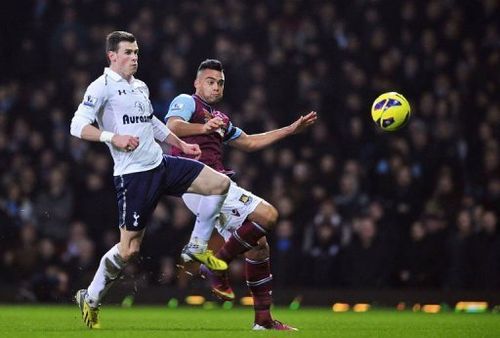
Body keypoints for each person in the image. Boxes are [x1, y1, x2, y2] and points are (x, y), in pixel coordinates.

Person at [69, 32, 231, 329]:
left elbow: (151, 122)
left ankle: (197, 245)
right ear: (112, 56)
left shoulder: (139, 86)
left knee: (220, 183)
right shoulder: (101, 87)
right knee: (129, 250)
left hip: (161, 164)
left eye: (137, 52)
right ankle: (90, 297)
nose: (134, 57)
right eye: (128, 52)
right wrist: (112, 136)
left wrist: (180, 145)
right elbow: (76, 125)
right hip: (133, 176)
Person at [165, 59, 317, 331]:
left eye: (220, 83)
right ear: (197, 83)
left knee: (259, 246)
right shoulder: (187, 102)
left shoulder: (220, 118)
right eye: (210, 81)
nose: (215, 87)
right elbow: (172, 127)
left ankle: (263, 321)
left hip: (216, 183)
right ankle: (217, 264)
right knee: (268, 215)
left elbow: (248, 142)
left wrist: (290, 130)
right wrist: (203, 128)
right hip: (199, 181)